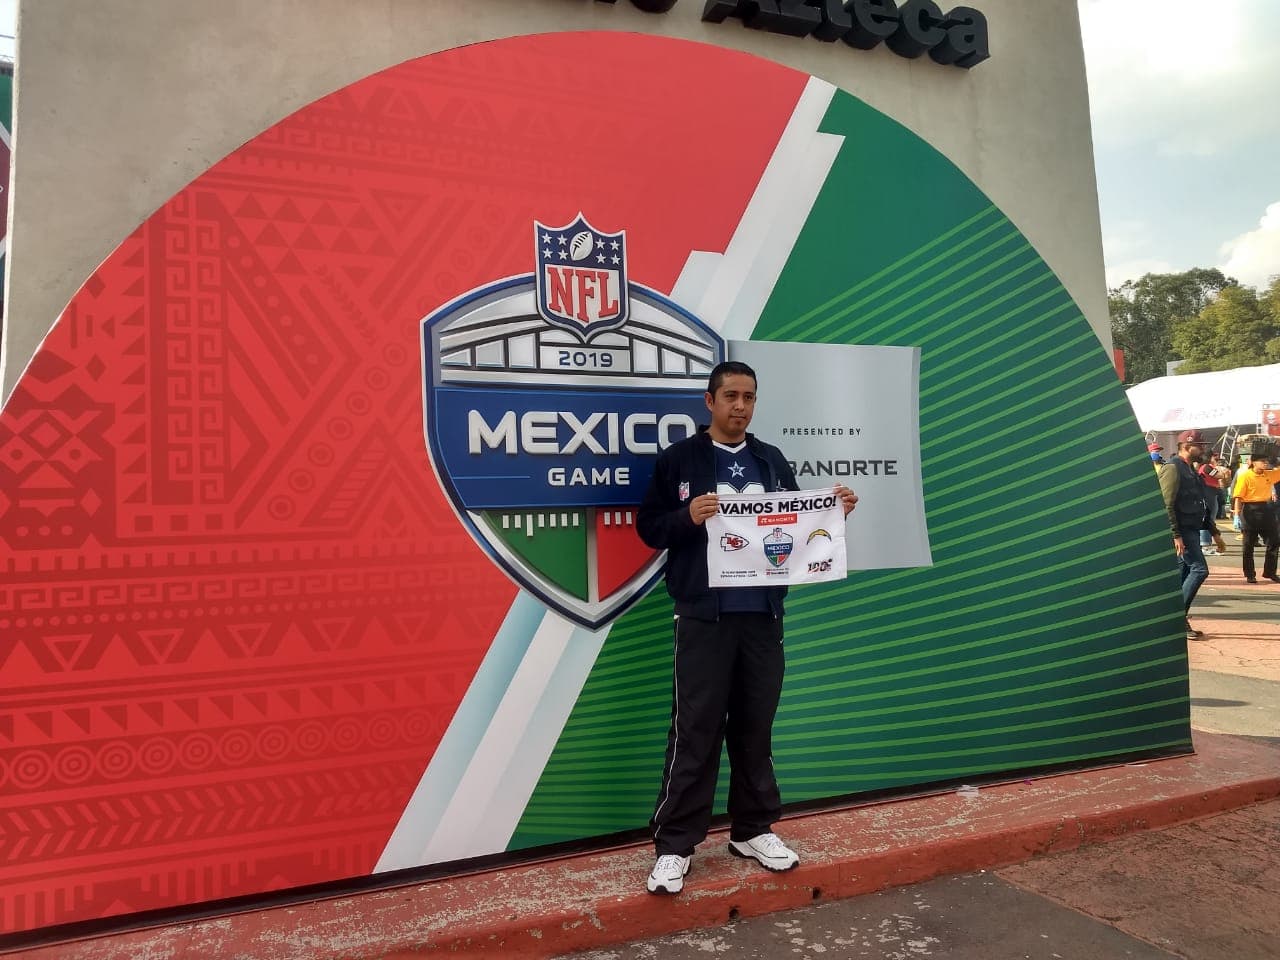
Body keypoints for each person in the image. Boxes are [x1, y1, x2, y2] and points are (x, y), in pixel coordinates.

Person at [636, 360, 857, 895]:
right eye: (730, 395)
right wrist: (687, 516)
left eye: (749, 397)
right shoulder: (679, 460)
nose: (740, 406)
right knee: (696, 732)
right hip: (703, 618)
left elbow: (796, 526)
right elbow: (648, 528)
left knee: (755, 728)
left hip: (761, 616)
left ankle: (752, 830)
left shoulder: (771, 460)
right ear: (708, 401)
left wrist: (833, 514)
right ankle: (674, 846)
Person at [1158, 430, 1219, 640]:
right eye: (1199, 445)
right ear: (1186, 445)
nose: (1203, 449)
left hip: (1192, 529)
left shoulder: (1191, 470)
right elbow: (1166, 504)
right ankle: (1175, 620)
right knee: (1199, 570)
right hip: (1182, 531)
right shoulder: (1173, 468)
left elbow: (1201, 503)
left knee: (1182, 575)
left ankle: (1174, 620)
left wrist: (1215, 532)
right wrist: (1175, 535)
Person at [1231, 454, 1280, 584]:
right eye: (1262, 461)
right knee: (1248, 545)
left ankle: (1270, 572)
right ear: (1253, 462)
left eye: (1266, 461)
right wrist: (1236, 515)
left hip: (1266, 508)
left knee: (1274, 541)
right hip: (1250, 510)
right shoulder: (1245, 476)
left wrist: (1276, 460)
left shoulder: (1268, 474)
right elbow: (1238, 497)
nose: (1265, 463)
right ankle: (1250, 574)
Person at [1197, 454, 1228, 554]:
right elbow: (1219, 475)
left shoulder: (1206, 467)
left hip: (1210, 492)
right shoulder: (1207, 467)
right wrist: (1224, 472)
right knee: (1209, 518)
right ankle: (1205, 544)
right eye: (1215, 458)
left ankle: (1206, 543)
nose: (1217, 460)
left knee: (1210, 517)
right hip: (1208, 492)